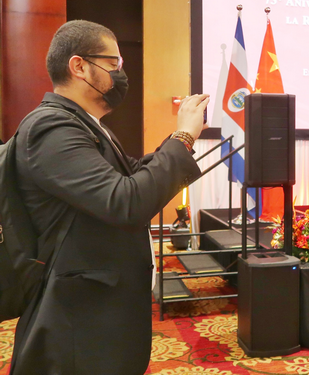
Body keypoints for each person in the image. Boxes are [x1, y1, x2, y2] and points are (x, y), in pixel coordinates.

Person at [10, 20, 209, 375]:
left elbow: (132, 174)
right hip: (78, 321)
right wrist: (183, 138)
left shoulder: (85, 123)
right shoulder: (51, 127)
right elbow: (126, 202)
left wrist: (180, 141)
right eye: (113, 63)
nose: (120, 73)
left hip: (97, 311)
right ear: (79, 66)